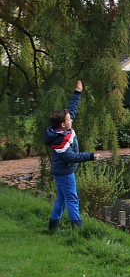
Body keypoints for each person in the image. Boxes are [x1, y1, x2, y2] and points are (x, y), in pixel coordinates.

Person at [43, 80, 95, 231]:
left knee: (61, 199)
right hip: (65, 173)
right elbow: (72, 157)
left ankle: (53, 226)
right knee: (72, 199)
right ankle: (77, 229)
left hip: (60, 172)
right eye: (68, 120)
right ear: (63, 125)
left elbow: (71, 109)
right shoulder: (60, 142)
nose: (71, 119)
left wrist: (77, 92)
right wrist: (90, 156)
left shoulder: (61, 129)